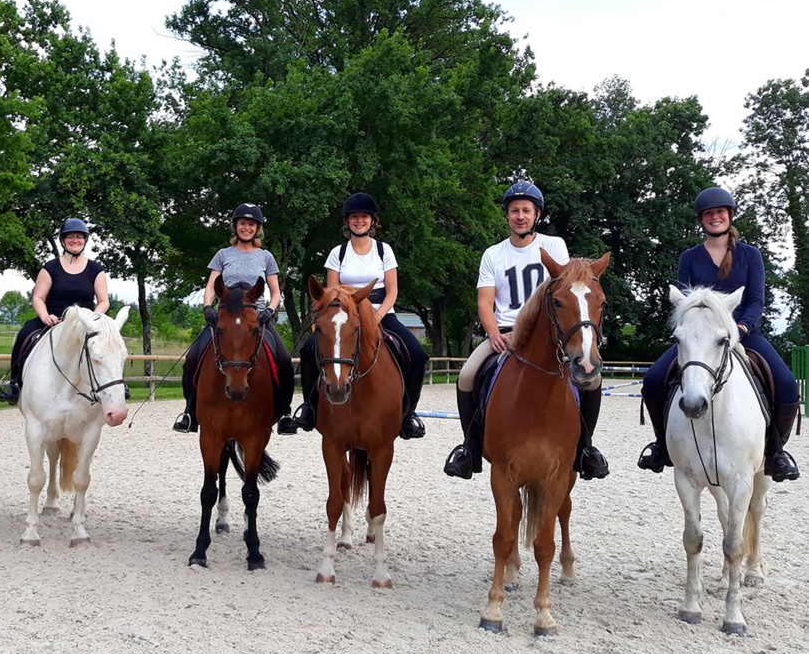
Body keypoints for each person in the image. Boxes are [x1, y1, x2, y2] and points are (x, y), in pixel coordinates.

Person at [443, 182, 609, 481]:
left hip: (546, 331)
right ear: (507, 215)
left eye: (526, 211)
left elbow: (568, 290)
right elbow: (485, 300)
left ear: (537, 215)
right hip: (506, 331)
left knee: (593, 379)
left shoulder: (554, 245)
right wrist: (492, 333)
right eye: (514, 211)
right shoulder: (493, 254)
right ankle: (469, 448)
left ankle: (586, 449)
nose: (520, 216)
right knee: (467, 374)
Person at [638, 186, 800, 481]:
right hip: (700, 339)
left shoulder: (750, 255)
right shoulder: (689, 257)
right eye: (709, 214)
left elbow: (756, 300)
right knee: (652, 381)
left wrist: (742, 326)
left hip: (744, 334)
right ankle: (662, 446)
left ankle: (775, 452)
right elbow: (685, 302)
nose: (715, 217)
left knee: (788, 385)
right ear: (702, 220)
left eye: (720, 212)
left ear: (729, 215)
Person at [281, 192, 429, 439]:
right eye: (354, 217)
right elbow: (331, 294)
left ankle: (408, 414)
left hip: (382, 313)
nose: (359, 221)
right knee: (308, 351)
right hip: (345, 316)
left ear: (372, 221)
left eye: (364, 216)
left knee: (417, 354)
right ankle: (309, 408)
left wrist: (380, 315)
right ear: (347, 221)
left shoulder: (384, 251)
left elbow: (392, 290)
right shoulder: (337, 253)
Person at [172, 203, 295, 433]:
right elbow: (211, 285)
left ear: (257, 228)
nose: (246, 228)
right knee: (193, 358)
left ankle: (285, 412)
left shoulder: (266, 257)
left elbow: (276, 291)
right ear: (235, 226)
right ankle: (189, 412)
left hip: (255, 319)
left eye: (251, 224)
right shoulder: (223, 255)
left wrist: (270, 310)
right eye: (242, 223)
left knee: (284, 361)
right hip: (225, 317)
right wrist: (207, 307)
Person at [0, 218, 110, 405]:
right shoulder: (51, 267)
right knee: (25, 333)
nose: (75, 240)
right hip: (54, 319)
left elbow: (104, 300)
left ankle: (118, 385)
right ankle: (15, 384)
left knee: (111, 341)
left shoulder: (95, 269)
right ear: (63, 241)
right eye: (71, 237)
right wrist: (44, 316)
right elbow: (38, 298)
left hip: (85, 321)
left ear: (85, 240)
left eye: (79, 237)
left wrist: (93, 318)